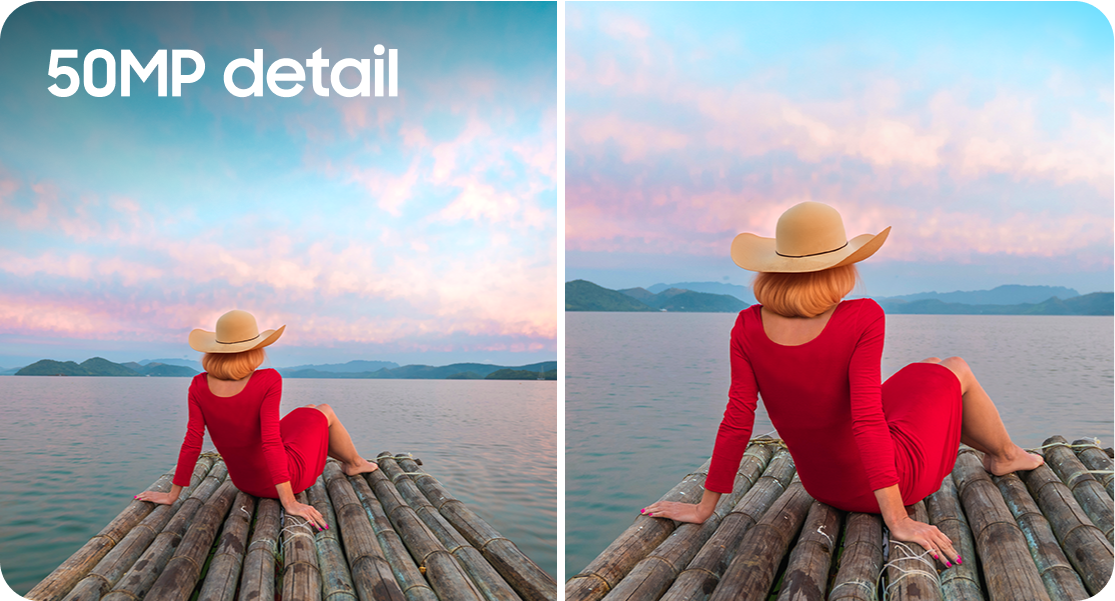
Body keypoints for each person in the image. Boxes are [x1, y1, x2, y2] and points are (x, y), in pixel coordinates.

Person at [639, 202, 1043, 568]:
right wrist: (898, 519)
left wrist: (702, 509)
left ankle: (1002, 450)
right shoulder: (862, 316)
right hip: (889, 485)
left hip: (823, 484)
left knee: (930, 366)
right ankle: (1006, 454)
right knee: (955, 368)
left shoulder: (747, 324)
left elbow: (737, 420)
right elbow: (867, 420)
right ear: (839, 265)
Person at [134, 309, 379, 531]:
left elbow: (192, 442)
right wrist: (290, 502)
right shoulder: (268, 379)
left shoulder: (198, 384)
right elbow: (271, 442)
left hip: (244, 481)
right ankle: (355, 462)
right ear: (254, 348)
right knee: (324, 410)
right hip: (284, 481)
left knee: (309, 409)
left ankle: (350, 459)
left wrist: (171, 495)